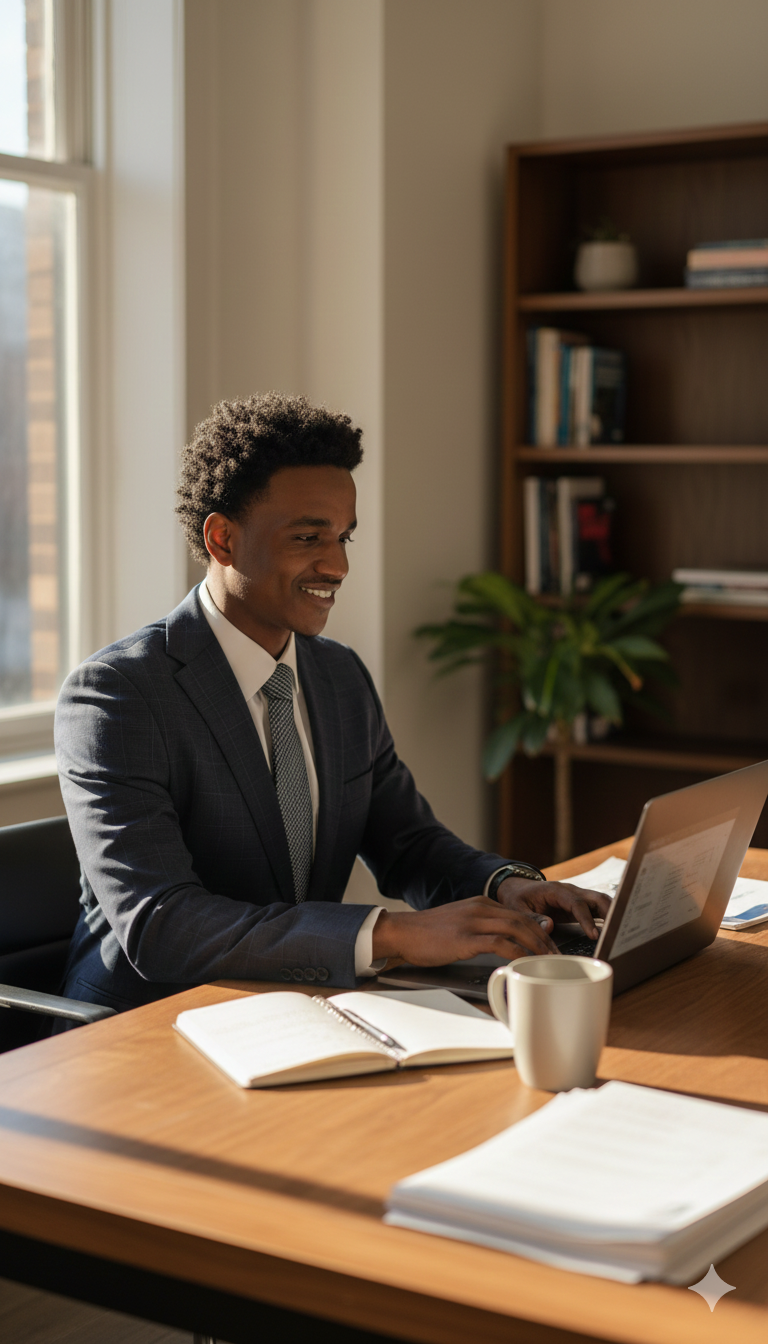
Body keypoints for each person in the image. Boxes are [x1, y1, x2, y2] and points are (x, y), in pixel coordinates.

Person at [55, 393, 609, 1012]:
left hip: (300, 1004)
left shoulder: (338, 675)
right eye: (308, 537)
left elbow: (409, 843)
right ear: (222, 539)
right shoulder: (116, 695)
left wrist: (506, 887)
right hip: (146, 1025)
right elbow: (161, 924)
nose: (338, 564)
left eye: (344, 537)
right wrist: (390, 932)